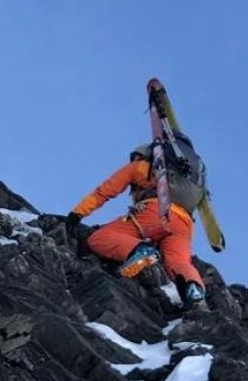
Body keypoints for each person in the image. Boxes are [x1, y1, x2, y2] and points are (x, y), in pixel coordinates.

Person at [66, 133, 209, 311]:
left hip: (156, 211)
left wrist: (77, 213)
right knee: (178, 262)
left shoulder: (140, 167)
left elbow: (105, 191)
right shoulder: (188, 180)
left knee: (100, 238)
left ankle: (140, 251)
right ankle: (193, 288)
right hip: (184, 224)